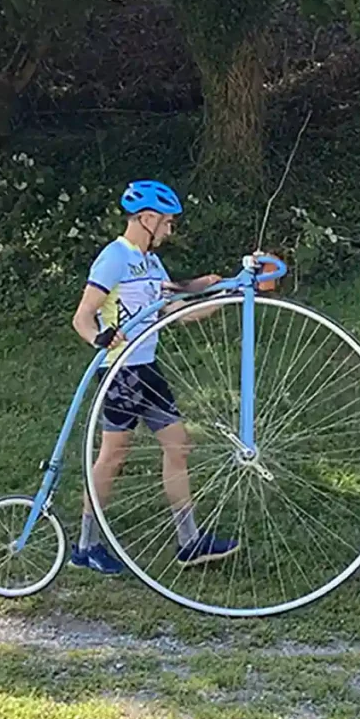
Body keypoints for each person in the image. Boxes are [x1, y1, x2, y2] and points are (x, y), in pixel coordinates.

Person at [69, 179, 240, 575]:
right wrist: (100, 337)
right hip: (121, 373)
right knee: (113, 457)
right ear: (146, 218)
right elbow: (82, 316)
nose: (169, 230)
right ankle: (85, 546)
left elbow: (175, 309)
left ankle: (190, 542)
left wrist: (220, 295)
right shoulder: (114, 259)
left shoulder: (151, 263)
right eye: (166, 222)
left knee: (178, 447)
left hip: (147, 369)